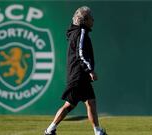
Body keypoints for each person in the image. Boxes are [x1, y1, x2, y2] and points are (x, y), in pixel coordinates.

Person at [44, 6, 107, 135]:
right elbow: (81, 54)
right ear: (84, 20)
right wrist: (90, 70)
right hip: (79, 75)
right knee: (70, 105)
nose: (93, 20)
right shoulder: (81, 32)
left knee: (89, 102)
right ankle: (50, 129)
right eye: (90, 18)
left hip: (79, 75)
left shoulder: (77, 32)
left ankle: (98, 131)